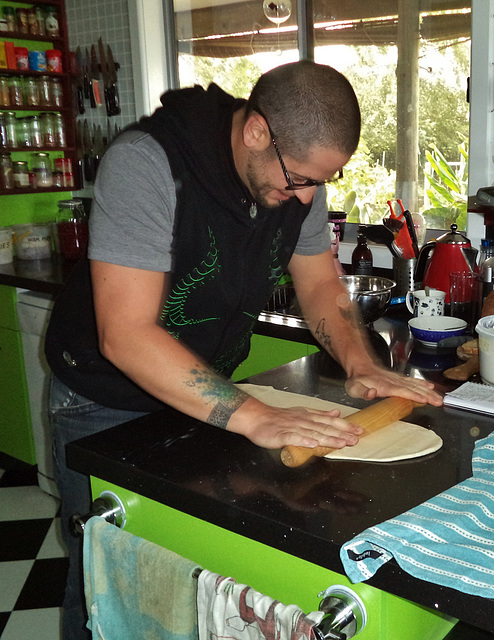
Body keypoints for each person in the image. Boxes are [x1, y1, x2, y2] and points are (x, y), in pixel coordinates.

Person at [45, 60, 442, 640]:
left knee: (184, 561)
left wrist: (362, 366)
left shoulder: (294, 176)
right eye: (300, 179)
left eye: (317, 182)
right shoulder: (148, 164)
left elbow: (320, 284)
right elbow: (126, 335)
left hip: (202, 389)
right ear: (257, 131)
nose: (306, 196)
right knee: (106, 566)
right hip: (102, 398)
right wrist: (256, 417)